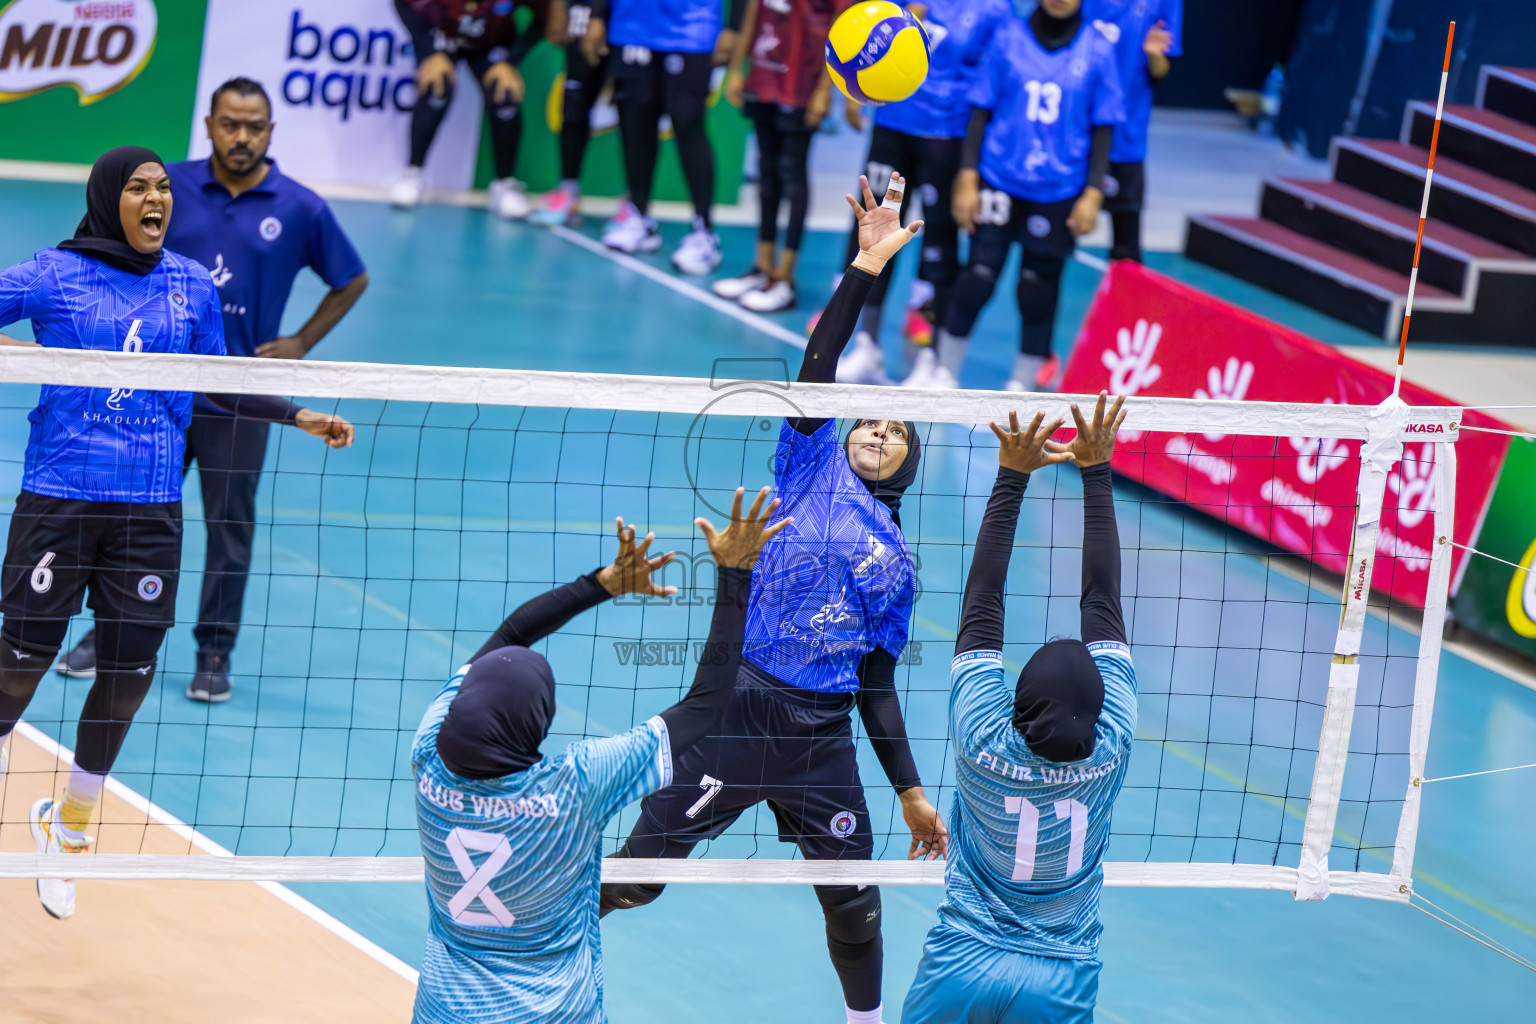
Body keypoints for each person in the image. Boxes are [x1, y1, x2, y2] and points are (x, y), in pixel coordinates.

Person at [600, 174, 948, 1024]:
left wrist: (907, 789)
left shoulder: (898, 562)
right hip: (740, 707)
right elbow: (821, 363)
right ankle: (530, 931)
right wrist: (866, 265)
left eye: (895, 431)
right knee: (639, 877)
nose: (876, 431)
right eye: (868, 421)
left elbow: (876, 682)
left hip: (823, 737)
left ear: (908, 460)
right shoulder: (810, 462)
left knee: (854, 905)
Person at [0, 146, 354, 920]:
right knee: (19, 665)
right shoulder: (54, 275)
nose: (156, 199)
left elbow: (220, 379)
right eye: (139, 188)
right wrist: (22, 354)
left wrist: (296, 414)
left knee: (127, 676)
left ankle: (71, 830)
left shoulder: (190, 286)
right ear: (107, 199)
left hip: (149, 509)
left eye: (163, 188)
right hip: (59, 499)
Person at [411, 491, 788, 1023]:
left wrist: (599, 584)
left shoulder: (428, 751)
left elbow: (508, 637)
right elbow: (705, 708)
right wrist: (735, 573)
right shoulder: (576, 785)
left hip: (444, 1011)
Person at [54, 78, 369, 704]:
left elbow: (351, 277)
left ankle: (213, 649)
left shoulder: (301, 207)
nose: (242, 136)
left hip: (243, 393)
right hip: (161, 390)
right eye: (230, 124)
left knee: (230, 525)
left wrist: (301, 341)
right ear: (210, 125)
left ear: (271, 132)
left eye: (254, 126)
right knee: (134, 516)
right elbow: (105, 250)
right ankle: (107, 633)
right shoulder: (164, 188)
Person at [902, 393, 1136, 1024]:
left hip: (965, 958)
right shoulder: (1112, 745)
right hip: (1062, 975)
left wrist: (1011, 475)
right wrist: (1098, 470)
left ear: (1017, 706)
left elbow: (983, 603)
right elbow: (1103, 603)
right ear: (1099, 708)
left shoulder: (983, 739)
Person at [910, 0, 1123, 392]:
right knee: (978, 275)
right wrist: (968, 176)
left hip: (1059, 189)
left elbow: (1104, 127)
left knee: (1037, 286)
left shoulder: (1099, 48)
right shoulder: (1007, 37)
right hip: (999, 178)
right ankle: (943, 371)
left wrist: (1093, 192)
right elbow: (980, 112)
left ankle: (1023, 384)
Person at [830, 0, 1015, 386]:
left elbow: (1001, 77)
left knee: (941, 247)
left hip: (948, 135)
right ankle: (865, 344)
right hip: (893, 126)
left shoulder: (996, 10)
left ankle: (931, 357)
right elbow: (863, 39)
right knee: (870, 232)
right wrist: (856, 86)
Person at [585, 0, 741, 273]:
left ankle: (703, 231)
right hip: (631, 25)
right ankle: (638, 216)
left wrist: (734, 25)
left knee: (688, 123)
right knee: (635, 122)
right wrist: (598, 14)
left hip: (692, 28)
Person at [710, 0, 844, 313]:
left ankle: (785, 277)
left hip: (802, 82)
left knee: (792, 173)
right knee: (766, 170)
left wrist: (826, 90)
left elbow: (841, 30)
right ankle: (763, 266)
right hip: (764, 77)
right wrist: (736, 68)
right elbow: (754, 11)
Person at [390, 0, 549, 219]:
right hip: (442, 35)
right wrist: (428, 51)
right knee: (436, 85)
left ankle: (504, 185)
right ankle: (412, 173)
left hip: (492, 44)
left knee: (505, 92)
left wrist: (511, 61)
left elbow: (543, 17)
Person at [1082, 0, 1181, 263]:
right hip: (1072, 132)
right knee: (1051, 238)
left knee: (1126, 246)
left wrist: (1154, 55)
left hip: (1126, 135)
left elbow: (1161, 73)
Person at [531, 1, 611, 226]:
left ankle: (635, 206)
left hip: (630, 16)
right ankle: (568, 190)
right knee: (574, 106)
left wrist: (598, 15)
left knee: (634, 109)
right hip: (581, 12)